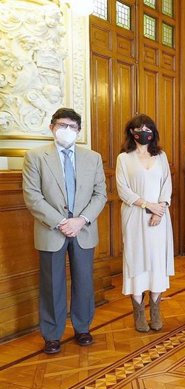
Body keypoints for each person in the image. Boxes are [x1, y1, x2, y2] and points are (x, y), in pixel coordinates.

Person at [22, 108, 107, 354]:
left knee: (83, 281)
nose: (66, 130)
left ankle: (82, 328)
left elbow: (100, 194)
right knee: (52, 284)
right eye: (62, 125)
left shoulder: (93, 158)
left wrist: (81, 220)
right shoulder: (36, 157)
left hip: (84, 229)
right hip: (52, 231)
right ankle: (52, 334)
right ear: (52, 127)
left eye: (72, 127)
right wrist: (61, 222)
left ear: (79, 131)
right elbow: (32, 196)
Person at [116, 114, 174, 332]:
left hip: (159, 216)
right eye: (139, 128)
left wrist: (160, 209)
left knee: (156, 260)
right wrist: (147, 205)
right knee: (136, 258)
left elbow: (167, 183)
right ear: (132, 132)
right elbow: (123, 190)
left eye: (148, 127)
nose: (144, 131)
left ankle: (156, 310)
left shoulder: (161, 156)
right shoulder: (124, 158)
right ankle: (139, 312)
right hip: (134, 215)